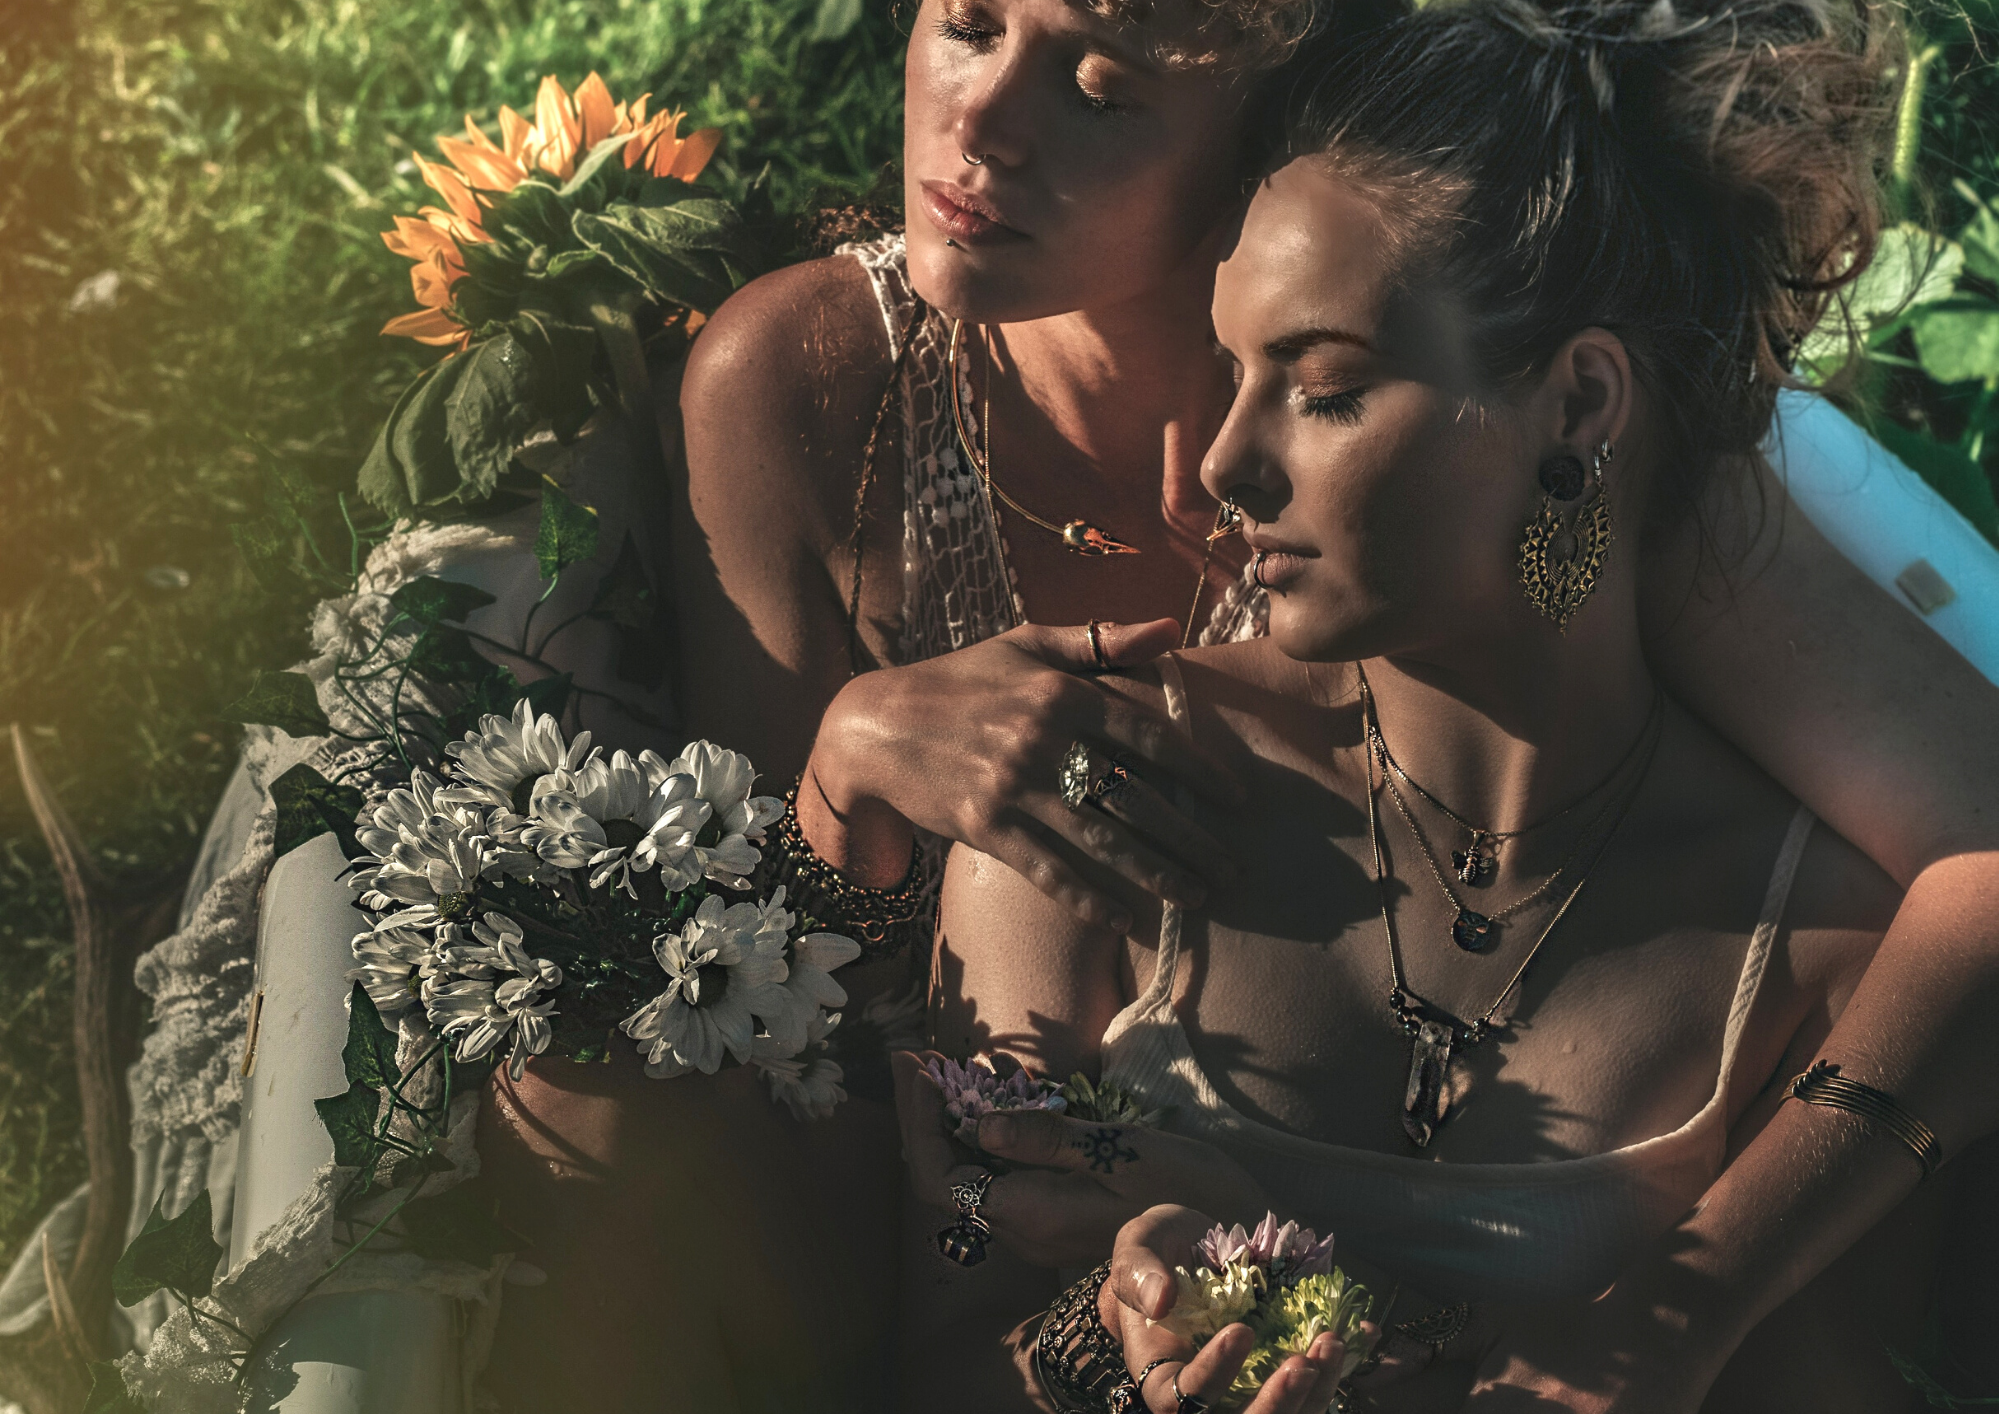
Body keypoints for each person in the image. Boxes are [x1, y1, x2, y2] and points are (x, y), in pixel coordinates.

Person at [895, 0, 1981, 1408]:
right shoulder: (1094, 788)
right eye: (1234, 371)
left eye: (1326, 388)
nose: (1225, 461)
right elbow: (922, 1338)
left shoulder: (1822, 956)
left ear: (1582, 403)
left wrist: (1580, 1336)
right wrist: (1109, 1343)